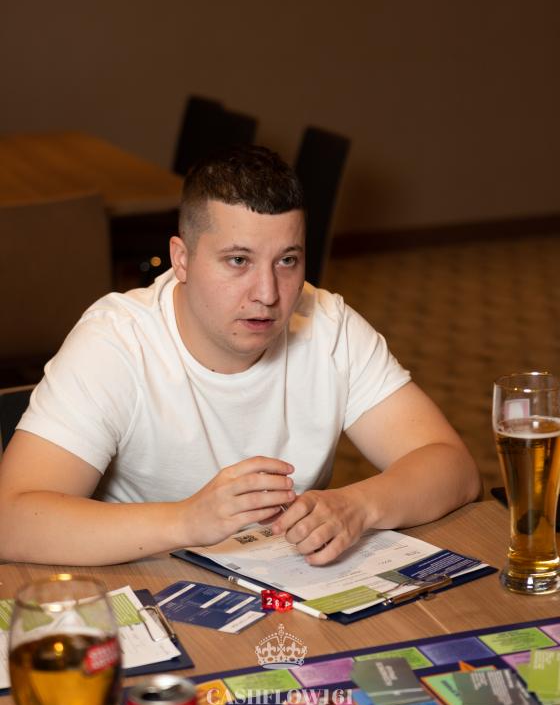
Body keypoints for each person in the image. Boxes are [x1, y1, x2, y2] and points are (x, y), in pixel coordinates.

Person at [0, 146, 480, 566]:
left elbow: (453, 468)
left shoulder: (328, 324)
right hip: (147, 583)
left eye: (287, 260)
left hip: (287, 592)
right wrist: (187, 521)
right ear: (181, 259)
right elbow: (11, 520)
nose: (268, 294)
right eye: (238, 261)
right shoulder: (116, 342)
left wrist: (359, 505)